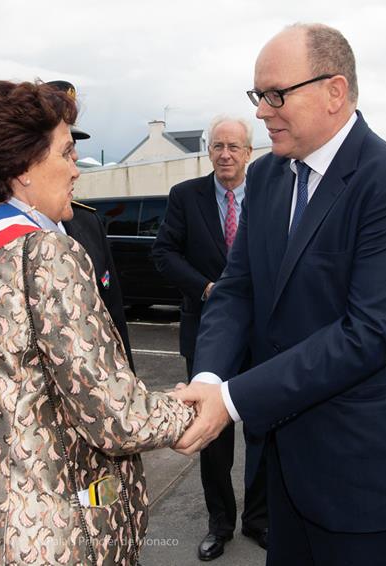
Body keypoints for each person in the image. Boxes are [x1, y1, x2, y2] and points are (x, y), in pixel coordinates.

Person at [174, 23, 386, 566]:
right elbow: (236, 289)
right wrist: (208, 376)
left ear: (334, 91)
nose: (261, 111)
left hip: (368, 478)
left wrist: (230, 400)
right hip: (287, 473)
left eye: (275, 95)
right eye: (257, 95)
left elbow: (366, 335)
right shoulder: (271, 179)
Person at [0, 80, 193, 565]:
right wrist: (190, 408)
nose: (76, 167)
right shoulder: (47, 251)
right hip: (36, 527)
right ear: (23, 169)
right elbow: (116, 417)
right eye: (65, 153)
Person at [152, 115, 268, 560]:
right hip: (207, 333)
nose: (224, 154)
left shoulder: (268, 194)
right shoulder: (186, 197)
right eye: (217, 146)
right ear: (209, 152)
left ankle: (260, 520)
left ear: (248, 152)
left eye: (234, 147)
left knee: (262, 428)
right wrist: (206, 287)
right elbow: (163, 252)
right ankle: (219, 525)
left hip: (261, 334)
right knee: (213, 438)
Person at [47, 79, 135, 372]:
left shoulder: (88, 221)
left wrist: (128, 375)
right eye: (65, 148)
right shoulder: (8, 231)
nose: (74, 158)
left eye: (74, 146)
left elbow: (113, 313)